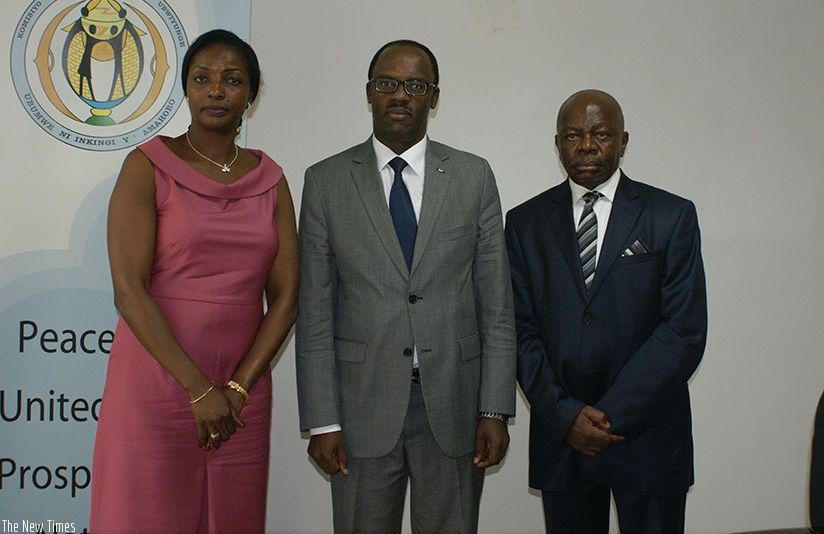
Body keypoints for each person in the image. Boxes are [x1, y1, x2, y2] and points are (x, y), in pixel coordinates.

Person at [295, 39, 516, 533]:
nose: (401, 95)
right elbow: (315, 314)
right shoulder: (326, 181)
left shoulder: (472, 177)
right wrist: (324, 421)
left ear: (434, 98)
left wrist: (495, 408)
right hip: (359, 410)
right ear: (369, 93)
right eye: (388, 84)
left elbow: (497, 305)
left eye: (415, 85)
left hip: (456, 407)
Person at [89, 29, 298, 532]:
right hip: (159, 385)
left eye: (232, 80)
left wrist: (237, 388)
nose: (216, 90)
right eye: (202, 79)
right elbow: (129, 290)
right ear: (186, 88)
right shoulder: (147, 166)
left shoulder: (271, 179)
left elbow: (287, 297)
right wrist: (199, 391)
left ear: (251, 94)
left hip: (241, 396)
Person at [505, 90, 707, 534]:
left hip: (649, 436)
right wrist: (566, 417)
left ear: (623, 140)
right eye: (573, 135)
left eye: (601, 134)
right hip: (564, 439)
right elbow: (518, 331)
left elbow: (683, 331)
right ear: (557, 144)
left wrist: (608, 416)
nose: (587, 145)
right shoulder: (523, 224)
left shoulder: (670, 216)